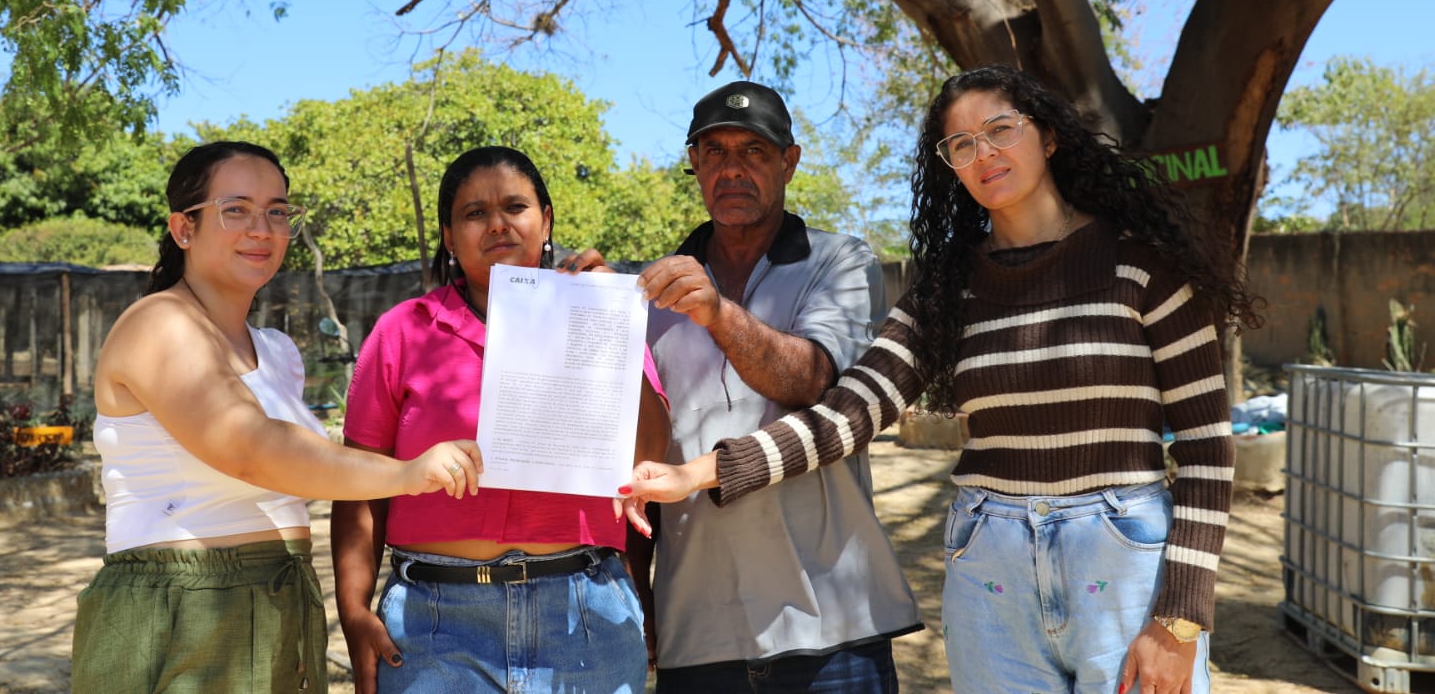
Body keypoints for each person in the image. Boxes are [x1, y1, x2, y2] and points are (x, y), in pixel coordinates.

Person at [623, 66, 1263, 694]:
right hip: (990, 568)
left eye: (1001, 130)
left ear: (1048, 136)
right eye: (962, 144)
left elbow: (1207, 449)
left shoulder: (1142, 266)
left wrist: (1180, 619)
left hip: (1124, 564)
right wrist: (695, 474)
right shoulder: (948, 290)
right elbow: (849, 414)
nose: (984, 154)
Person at [71, 141, 481, 693]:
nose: (262, 229)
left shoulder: (277, 350)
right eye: (236, 209)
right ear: (184, 228)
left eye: (278, 211)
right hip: (184, 609)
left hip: (281, 596)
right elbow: (252, 449)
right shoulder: (158, 323)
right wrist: (408, 473)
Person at [564, 81, 920, 693]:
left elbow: (813, 379)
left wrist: (717, 313)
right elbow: (631, 464)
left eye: (754, 151)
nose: (732, 169)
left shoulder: (839, 262)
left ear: (789, 161)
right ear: (695, 164)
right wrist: (591, 307)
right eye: (715, 152)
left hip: (834, 626)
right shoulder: (644, 298)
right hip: (698, 632)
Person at [331, 145, 672, 694]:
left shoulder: (602, 315)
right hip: (433, 625)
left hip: (584, 619)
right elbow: (357, 486)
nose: (497, 224)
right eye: (474, 213)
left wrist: (610, 322)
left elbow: (648, 457)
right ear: (448, 236)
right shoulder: (403, 331)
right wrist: (353, 611)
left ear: (546, 220)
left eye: (515, 207)